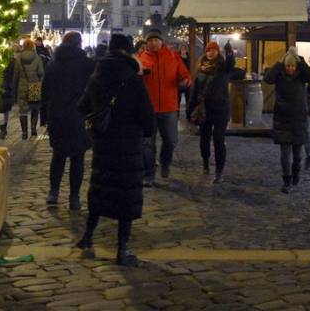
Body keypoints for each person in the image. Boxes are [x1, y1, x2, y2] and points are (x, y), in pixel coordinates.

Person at [76, 34, 155, 266]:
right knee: (126, 195)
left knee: (100, 188)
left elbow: (82, 106)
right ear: (127, 51)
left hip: (103, 142)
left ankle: (88, 237)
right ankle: (122, 249)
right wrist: (146, 132)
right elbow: (147, 115)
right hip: (128, 143)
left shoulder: (97, 76)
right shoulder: (132, 77)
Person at [42, 31, 95, 210]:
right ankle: (74, 197)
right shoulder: (86, 64)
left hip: (56, 114)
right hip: (78, 115)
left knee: (58, 155)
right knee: (77, 158)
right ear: (79, 44)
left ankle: (54, 192)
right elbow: (93, 89)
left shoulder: (53, 63)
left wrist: (44, 117)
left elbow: (45, 91)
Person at [138, 28, 191, 185]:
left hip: (169, 107)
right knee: (148, 143)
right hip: (148, 108)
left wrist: (186, 80)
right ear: (146, 43)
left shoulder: (173, 57)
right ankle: (149, 175)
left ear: (162, 42)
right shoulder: (141, 58)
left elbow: (185, 75)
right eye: (150, 40)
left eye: (156, 40)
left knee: (171, 140)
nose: (153, 43)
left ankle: (165, 163)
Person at [264, 47, 310, 194]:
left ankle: (296, 175)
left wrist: (301, 61)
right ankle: (287, 181)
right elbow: (268, 79)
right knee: (285, 154)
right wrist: (280, 63)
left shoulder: (301, 75)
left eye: (292, 65)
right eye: (288, 66)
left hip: (299, 120)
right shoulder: (279, 75)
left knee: (297, 155)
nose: (290, 68)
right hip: (282, 119)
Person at [188, 41, 235, 183]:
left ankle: (219, 171)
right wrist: (190, 109)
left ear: (218, 52)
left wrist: (229, 53)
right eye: (208, 50)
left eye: (213, 50)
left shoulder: (223, 67)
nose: (210, 53)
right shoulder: (201, 68)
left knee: (219, 140)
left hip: (220, 109)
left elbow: (230, 64)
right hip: (204, 109)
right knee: (204, 138)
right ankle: (205, 162)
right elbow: (195, 90)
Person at [14, 38, 45, 139]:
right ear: (33, 46)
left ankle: (24, 133)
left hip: (22, 86)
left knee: (23, 110)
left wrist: (15, 86)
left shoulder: (18, 58)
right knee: (34, 109)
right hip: (34, 85)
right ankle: (33, 130)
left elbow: (16, 74)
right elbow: (41, 73)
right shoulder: (37, 58)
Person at [0, 42, 21, 139]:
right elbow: (16, 75)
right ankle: (4, 127)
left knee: (0, 109)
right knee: (5, 109)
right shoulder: (14, 62)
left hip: (1, 86)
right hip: (9, 87)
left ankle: (2, 128)